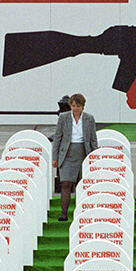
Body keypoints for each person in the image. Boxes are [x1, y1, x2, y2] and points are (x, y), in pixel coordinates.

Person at [51, 93, 98, 221]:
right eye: (73, 106)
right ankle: (64, 213)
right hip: (67, 153)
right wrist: (54, 157)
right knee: (66, 183)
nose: (75, 108)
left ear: (83, 106)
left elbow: (93, 140)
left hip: (83, 152)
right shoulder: (63, 118)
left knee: (82, 184)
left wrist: (94, 157)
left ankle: (81, 212)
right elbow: (57, 138)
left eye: (78, 106)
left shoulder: (89, 119)